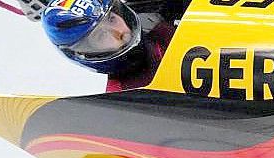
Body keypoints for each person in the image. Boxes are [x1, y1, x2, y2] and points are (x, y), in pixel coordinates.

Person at [41, 0, 189, 91]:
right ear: (89, 53)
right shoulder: (123, 95)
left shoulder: (159, 20)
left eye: (112, 19)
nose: (119, 32)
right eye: (101, 36)